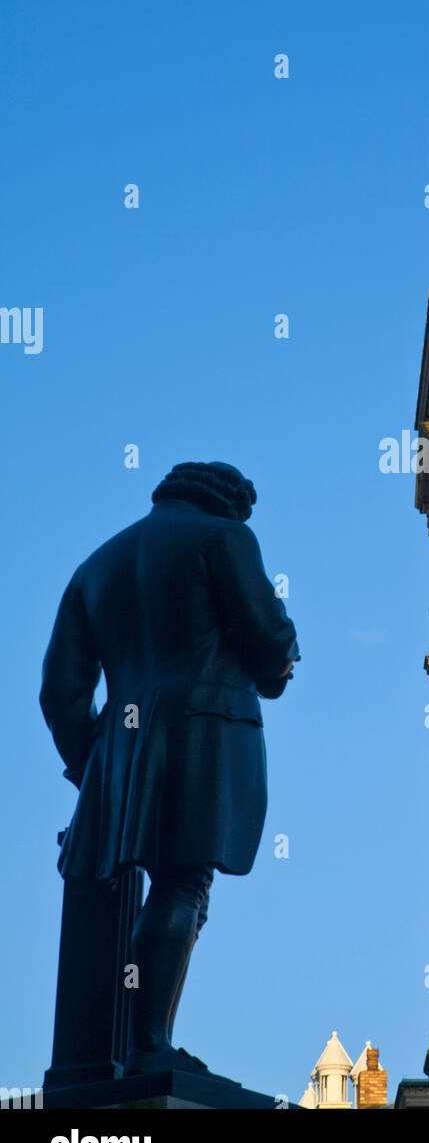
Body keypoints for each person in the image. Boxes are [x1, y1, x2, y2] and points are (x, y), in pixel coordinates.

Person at [39, 461, 299, 1078]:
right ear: (228, 500)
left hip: (120, 747)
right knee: (185, 881)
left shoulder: (97, 564)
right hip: (202, 732)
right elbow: (269, 642)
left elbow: (59, 691)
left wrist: (95, 767)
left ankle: (131, 1048)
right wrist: (284, 650)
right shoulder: (225, 538)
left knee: (150, 887)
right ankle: (149, 1045)